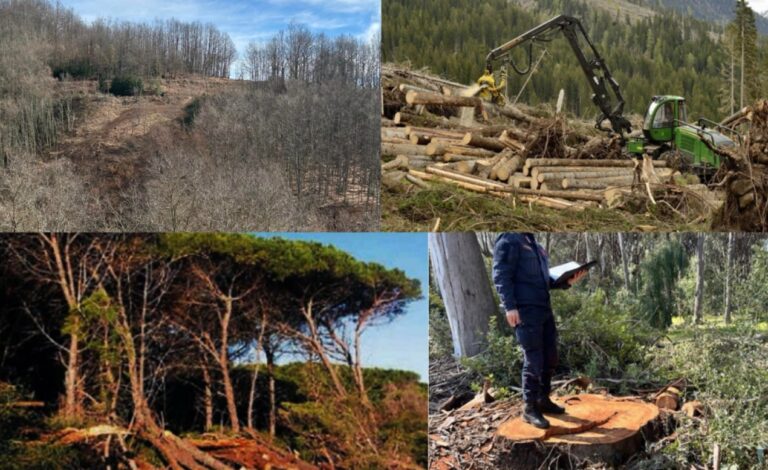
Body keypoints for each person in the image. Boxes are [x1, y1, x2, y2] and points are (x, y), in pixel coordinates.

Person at [491, 233, 586, 429]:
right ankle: (529, 408)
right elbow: (500, 274)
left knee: (551, 357)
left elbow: (545, 281)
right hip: (525, 310)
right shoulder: (509, 240)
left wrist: (567, 281)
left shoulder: (535, 244)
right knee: (533, 360)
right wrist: (509, 307)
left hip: (544, 308)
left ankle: (543, 400)